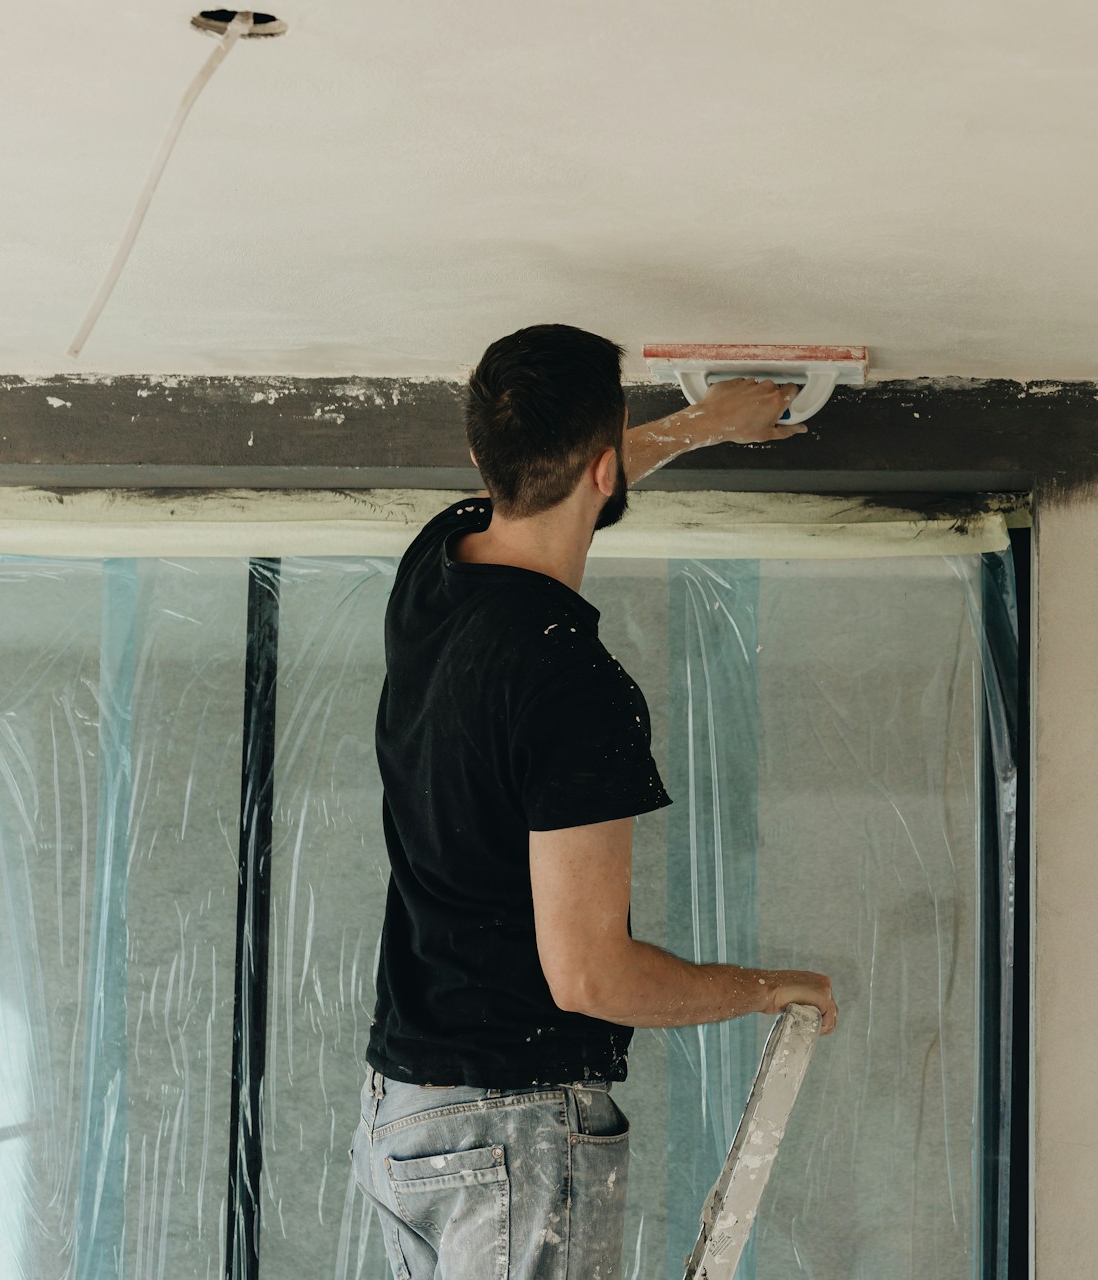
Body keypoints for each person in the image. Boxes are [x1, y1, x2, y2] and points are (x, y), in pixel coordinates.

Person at [349, 324, 838, 1280]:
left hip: (406, 1122)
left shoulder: (436, 566)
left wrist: (700, 424)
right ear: (603, 469)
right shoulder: (573, 685)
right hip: (511, 1130)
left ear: (486, 459)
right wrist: (761, 990)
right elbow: (591, 978)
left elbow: (571, 479)